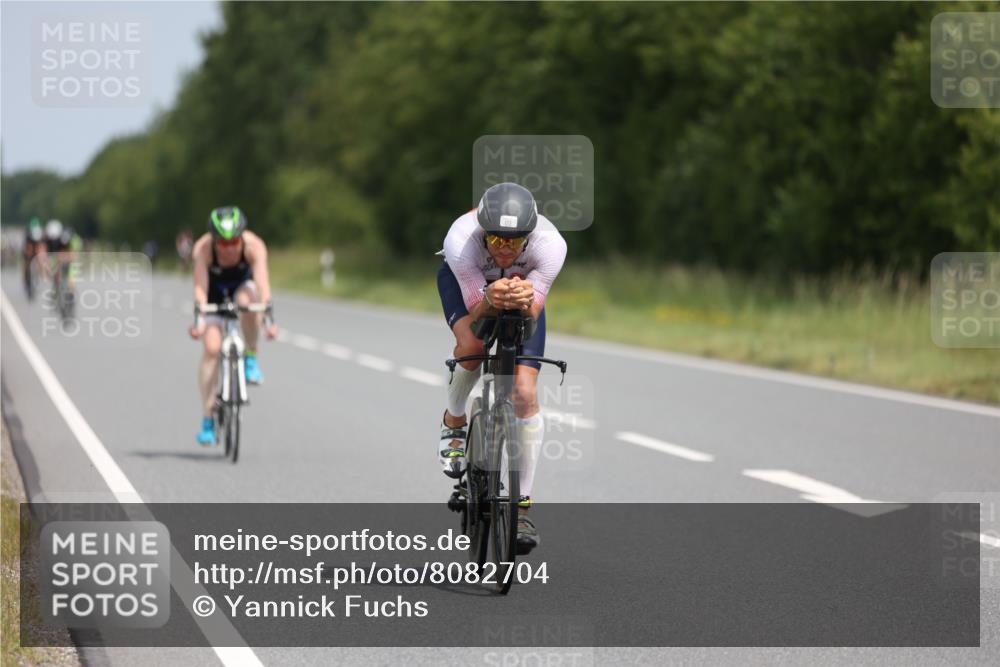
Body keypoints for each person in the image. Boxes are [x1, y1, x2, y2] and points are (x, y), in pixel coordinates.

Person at [436, 182, 567, 553]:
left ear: (529, 236)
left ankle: (522, 505)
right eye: (495, 240)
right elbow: (477, 316)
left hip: (521, 292)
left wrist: (526, 300)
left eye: (514, 241)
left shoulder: (551, 245)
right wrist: (490, 298)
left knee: (524, 393)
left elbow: (534, 313)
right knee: (473, 349)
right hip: (469, 288)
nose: (505, 248)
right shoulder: (461, 241)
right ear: (483, 232)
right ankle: (454, 422)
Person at [188, 206, 278, 446]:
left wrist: (269, 317)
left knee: (248, 302)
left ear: (242, 236)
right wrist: (199, 321)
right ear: (214, 241)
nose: (229, 248)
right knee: (211, 348)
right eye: (223, 243)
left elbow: (262, 283)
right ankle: (207, 418)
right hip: (214, 294)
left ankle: (250, 356)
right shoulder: (203, 249)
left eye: (234, 242)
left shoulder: (255, 247)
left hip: (243, 288)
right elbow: (200, 288)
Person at [22, 217, 45, 300]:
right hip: (29, 249)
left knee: (40, 259)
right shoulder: (28, 234)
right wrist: (28, 255)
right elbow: (27, 247)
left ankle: (39, 274)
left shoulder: (41, 234)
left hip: (37, 249)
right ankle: (26, 278)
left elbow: (42, 247)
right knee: (26, 263)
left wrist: (41, 257)